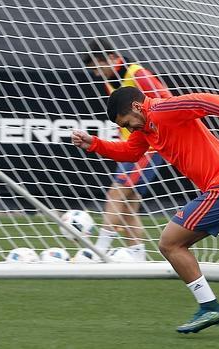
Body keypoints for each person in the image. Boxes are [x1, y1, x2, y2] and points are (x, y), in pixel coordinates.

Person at [72, 87, 219, 334]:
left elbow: (207, 101)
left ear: (136, 107)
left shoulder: (161, 109)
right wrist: (94, 144)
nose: (130, 128)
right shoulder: (145, 128)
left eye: (127, 123)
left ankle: (209, 306)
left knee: (169, 243)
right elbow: (130, 152)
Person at [80, 38, 172, 262]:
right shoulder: (111, 81)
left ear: (111, 58)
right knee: (129, 206)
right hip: (132, 147)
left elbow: (167, 100)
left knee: (116, 193)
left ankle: (98, 252)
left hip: (149, 147)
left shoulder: (137, 74)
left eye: (97, 67)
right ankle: (138, 256)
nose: (96, 74)